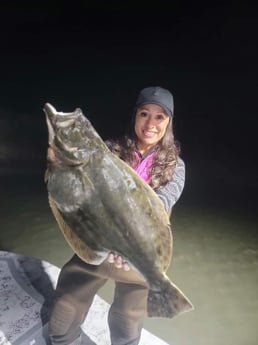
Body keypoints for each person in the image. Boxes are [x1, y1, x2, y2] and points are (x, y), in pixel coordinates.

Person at [48, 86, 186, 345]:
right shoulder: (110, 149)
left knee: (127, 319)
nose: (150, 123)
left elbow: (163, 203)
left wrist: (128, 243)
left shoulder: (176, 166)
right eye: (144, 113)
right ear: (135, 115)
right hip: (97, 242)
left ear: (168, 123)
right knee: (65, 306)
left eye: (159, 117)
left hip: (138, 253)